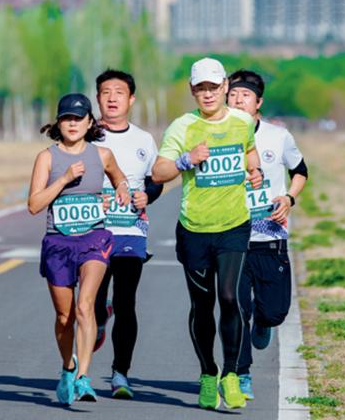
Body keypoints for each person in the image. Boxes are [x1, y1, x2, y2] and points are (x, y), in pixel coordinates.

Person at [151, 57, 262, 410]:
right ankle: (208, 372)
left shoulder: (243, 121)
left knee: (230, 297)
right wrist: (186, 159)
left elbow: (250, 153)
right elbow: (158, 172)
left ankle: (231, 374)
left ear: (225, 86)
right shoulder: (182, 127)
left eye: (214, 86)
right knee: (202, 305)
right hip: (194, 230)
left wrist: (254, 172)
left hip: (233, 226)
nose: (208, 93)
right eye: (201, 88)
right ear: (192, 90)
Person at [27, 93, 130, 405]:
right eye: (66, 118)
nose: (72, 124)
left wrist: (122, 189)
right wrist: (65, 180)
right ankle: (68, 367)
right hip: (58, 242)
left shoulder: (103, 155)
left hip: (94, 240)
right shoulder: (47, 157)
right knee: (64, 316)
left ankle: (84, 379)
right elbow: (34, 205)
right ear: (59, 123)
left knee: (86, 306)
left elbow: (119, 178)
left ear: (90, 122)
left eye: (78, 118)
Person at [226, 70, 308, 400]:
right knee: (236, 307)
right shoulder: (218, 134)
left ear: (258, 102)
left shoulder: (279, 137)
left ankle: (264, 322)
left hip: (270, 235)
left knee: (274, 312)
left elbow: (300, 171)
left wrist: (289, 198)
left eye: (243, 95)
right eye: (232, 94)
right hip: (232, 237)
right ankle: (241, 373)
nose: (236, 99)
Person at [92, 69, 163, 399]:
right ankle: (99, 317)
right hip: (92, 231)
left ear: (131, 99)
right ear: (97, 98)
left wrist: (147, 194)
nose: (112, 98)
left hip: (131, 230)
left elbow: (156, 179)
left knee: (126, 301)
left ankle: (120, 373)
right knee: (92, 300)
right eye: (105, 92)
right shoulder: (87, 136)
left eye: (119, 92)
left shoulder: (143, 139)